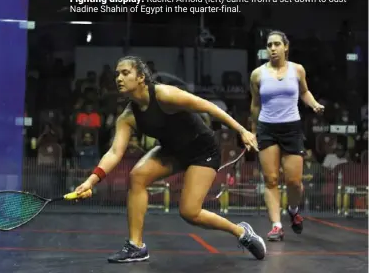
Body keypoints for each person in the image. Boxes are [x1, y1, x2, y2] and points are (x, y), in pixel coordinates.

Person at [75, 56, 267, 262]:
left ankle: (241, 232)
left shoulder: (165, 95)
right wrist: (90, 181)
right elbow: (114, 152)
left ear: (141, 77)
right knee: (137, 176)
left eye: (125, 73)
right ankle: (136, 246)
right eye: (116, 74)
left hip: (202, 150)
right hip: (172, 151)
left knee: (189, 212)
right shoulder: (128, 117)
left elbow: (207, 107)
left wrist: (242, 130)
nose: (118, 78)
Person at [249, 30, 324, 241]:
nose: (272, 48)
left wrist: (315, 105)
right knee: (271, 179)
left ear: (285, 47)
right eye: (269, 45)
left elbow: (304, 92)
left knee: (294, 182)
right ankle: (276, 225)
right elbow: (255, 105)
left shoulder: (297, 70)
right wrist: (253, 132)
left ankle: (292, 210)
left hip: (291, 128)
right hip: (267, 129)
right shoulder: (257, 74)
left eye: (276, 44)